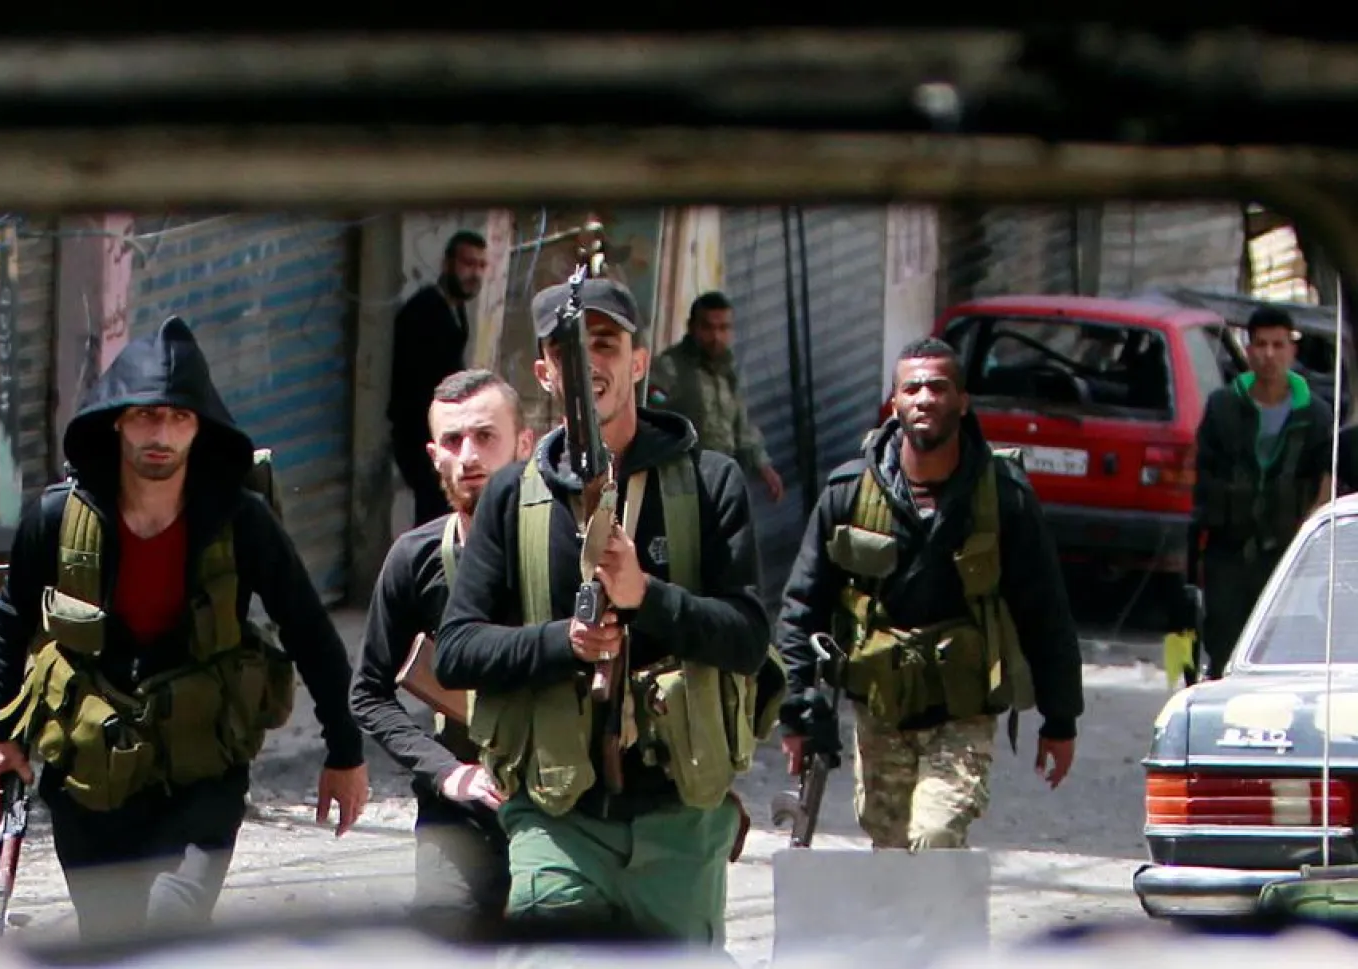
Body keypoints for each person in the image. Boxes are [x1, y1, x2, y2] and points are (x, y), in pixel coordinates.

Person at [0, 317, 370, 941]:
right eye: (147, 416)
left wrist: (345, 751)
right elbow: (12, 620)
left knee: (169, 929)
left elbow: (308, 629)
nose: (161, 434)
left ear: (199, 427)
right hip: (90, 777)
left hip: (201, 773)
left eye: (178, 418)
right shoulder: (57, 519)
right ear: (118, 421)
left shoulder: (240, 522)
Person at [432, 277, 776, 946]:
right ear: (545, 371)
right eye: (568, 350)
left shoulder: (709, 482)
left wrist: (647, 596)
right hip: (557, 816)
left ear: (638, 361)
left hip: (679, 816)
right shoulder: (512, 496)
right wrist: (567, 641)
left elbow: (747, 638)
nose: (590, 364)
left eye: (606, 343)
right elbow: (458, 649)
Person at [776, 337, 1082, 852]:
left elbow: (1045, 612)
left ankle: (941, 931)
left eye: (939, 387)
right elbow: (801, 608)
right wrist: (798, 711)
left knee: (935, 837)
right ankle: (919, 936)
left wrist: (1060, 717)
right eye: (911, 387)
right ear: (893, 403)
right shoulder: (848, 494)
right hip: (880, 712)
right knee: (891, 851)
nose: (925, 398)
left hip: (963, 712)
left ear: (963, 401)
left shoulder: (1002, 497)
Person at [350, 368, 534, 924]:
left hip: (561, 801)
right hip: (463, 807)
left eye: (485, 436)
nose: (468, 456)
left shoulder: (564, 549)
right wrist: (446, 772)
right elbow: (370, 694)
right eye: (452, 441)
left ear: (524, 445)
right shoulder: (416, 558)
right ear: (433, 455)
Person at [1191, 305, 1334, 678]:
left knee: (1285, 653)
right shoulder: (1223, 407)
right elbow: (1203, 475)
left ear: (1292, 350)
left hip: (1288, 557)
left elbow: (1326, 480)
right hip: (1230, 553)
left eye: (1278, 345)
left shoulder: (1315, 415)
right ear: (1249, 349)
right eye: (1260, 345)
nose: (1269, 355)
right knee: (1223, 649)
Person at [389, 230, 489, 527]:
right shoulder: (424, 312)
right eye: (468, 264)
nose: (475, 274)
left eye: (481, 266)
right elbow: (418, 389)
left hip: (438, 436)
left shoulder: (455, 308)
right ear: (447, 264)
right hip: (422, 437)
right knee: (435, 521)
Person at [647, 291, 784, 503]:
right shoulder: (670, 368)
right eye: (708, 328)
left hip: (722, 483)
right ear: (692, 327)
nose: (716, 337)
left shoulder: (728, 374)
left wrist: (764, 468)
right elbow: (650, 414)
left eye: (723, 328)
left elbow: (742, 428)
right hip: (683, 486)